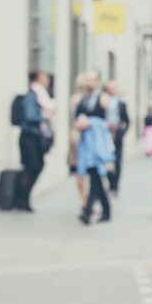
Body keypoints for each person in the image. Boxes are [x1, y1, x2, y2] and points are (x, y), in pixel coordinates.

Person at [74, 70, 112, 225]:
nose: (89, 83)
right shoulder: (81, 100)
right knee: (95, 176)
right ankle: (107, 210)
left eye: (92, 80)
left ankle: (87, 211)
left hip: (99, 143)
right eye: (87, 80)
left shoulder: (103, 99)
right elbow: (76, 119)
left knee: (96, 177)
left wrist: (92, 122)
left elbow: (110, 121)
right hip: (86, 145)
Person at [14, 70, 54, 212]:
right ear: (37, 79)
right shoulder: (32, 96)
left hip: (36, 136)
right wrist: (45, 116)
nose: (47, 81)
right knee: (32, 167)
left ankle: (23, 199)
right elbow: (30, 116)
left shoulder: (42, 96)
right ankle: (21, 199)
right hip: (29, 136)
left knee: (35, 167)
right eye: (45, 78)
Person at [67, 72, 89, 211]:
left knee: (85, 169)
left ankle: (86, 199)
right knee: (81, 169)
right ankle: (84, 199)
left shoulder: (92, 98)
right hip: (80, 135)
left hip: (83, 134)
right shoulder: (78, 99)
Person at [104, 80, 130, 196]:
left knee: (117, 161)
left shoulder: (120, 104)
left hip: (116, 135)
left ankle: (115, 185)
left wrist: (121, 132)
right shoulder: (103, 102)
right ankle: (110, 182)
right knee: (107, 160)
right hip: (105, 134)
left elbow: (127, 121)